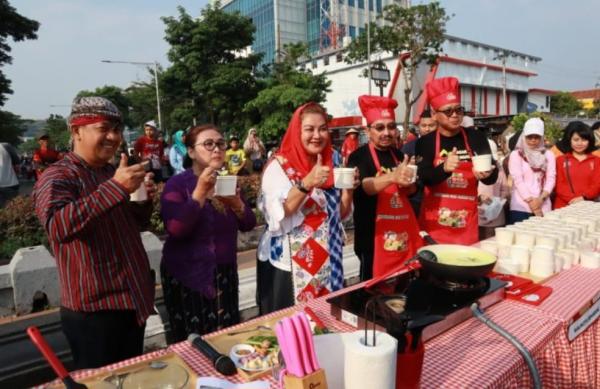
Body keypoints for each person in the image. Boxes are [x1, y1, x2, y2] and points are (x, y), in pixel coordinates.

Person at [33, 96, 156, 369]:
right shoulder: (59, 176)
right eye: (104, 128)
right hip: (95, 312)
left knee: (132, 378)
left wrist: (142, 199)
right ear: (76, 131)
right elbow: (58, 226)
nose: (114, 137)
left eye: (117, 129)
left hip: (131, 301)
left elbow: (132, 224)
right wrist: (117, 188)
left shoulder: (111, 172)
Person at [257, 102, 356, 313]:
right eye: (309, 129)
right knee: (294, 331)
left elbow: (341, 215)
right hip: (291, 268)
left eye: (322, 129)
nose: (317, 135)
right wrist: (306, 184)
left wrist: (348, 189)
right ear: (296, 131)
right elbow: (277, 217)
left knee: (327, 326)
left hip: (330, 262)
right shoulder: (279, 166)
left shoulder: (334, 160)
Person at [160, 124, 256, 340]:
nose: (217, 149)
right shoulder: (177, 184)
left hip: (224, 274)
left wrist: (237, 203)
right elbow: (176, 229)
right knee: (194, 343)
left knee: (226, 336)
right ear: (191, 151)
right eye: (208, 144)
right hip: (188, 276)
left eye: (221, 144)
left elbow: (248, 223)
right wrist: (200, 193)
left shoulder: (227, 180)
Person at [348, 96, 423, 281]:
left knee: (403, 286)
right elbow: (364, 187)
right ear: (368, 130)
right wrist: (392, 177)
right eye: (380, 127)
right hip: (372, 238)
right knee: (373, 292)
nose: (387, 133)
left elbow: (412, 192)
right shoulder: (358, 156)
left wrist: (410, 184)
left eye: (391, 126)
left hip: (402, 236)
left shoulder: (399, 155)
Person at [416, 77, 497, 245]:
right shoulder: (426, 142)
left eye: (459, 110)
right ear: (434, 115)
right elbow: (424, 178)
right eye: (448, 111)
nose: (455, 115)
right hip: (435, 225)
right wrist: (443, 169)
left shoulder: (476, 137)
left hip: (465, 223)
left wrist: (487, 174)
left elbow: (492, 177)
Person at [508, 118, 556, 222]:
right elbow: (518, 180)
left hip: (543, 204)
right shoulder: (517, 155)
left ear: (542, 137)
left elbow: (551, 179)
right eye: (529, 137)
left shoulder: (548, 155)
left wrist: (540, 200)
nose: (533, 140)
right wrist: (533, 203)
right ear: (524, 136)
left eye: (537, 137)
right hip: (521, 205)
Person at [554, 122, 600, 208]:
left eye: (584, 140)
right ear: (569, 140)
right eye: (576, 140)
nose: (579, 143)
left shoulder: (596, 161)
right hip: (563, 206)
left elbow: (597, 184)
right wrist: (573, 199)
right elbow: (558, 184)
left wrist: (584, 197)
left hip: (587, 205)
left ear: (589, 141)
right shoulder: (560, 160)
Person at [0, 143, 20, 207]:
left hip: (9, 185)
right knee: (13, 209)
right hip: (10, 184)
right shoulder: (6, 146)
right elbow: (17, 163)